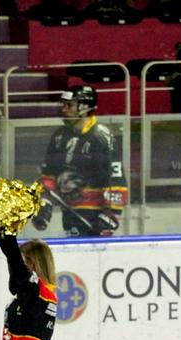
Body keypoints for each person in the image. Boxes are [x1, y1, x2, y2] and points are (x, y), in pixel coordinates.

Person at [32, 86, 128, 237]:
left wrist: (111, 213)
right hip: (69, 211)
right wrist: (44, 203)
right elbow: (49, 173)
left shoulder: (101, 137)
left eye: (69, 105)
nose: (63, 109)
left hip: (94, 216)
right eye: (63, 105)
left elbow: (116, 177)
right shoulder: (59, 136)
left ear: (84, 107)